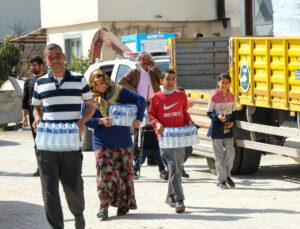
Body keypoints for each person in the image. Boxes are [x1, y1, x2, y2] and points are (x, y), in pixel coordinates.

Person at [32, 43, 95, 229]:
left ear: (64, 56)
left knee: (74, 185)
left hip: (70, 143)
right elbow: (36, 107)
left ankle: (78, 214)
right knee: (49, 189)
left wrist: (82, 121)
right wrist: (37, 118)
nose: (55, 60)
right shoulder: (40, 82)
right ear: (46, 61)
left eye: (57, 55)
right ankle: (57, 226)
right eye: (50, 57)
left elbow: (91, 106)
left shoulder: (79, 79)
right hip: (47, 144)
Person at [83, 69, 145, 220]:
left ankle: (123, 205)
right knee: (104, 174)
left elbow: (140, 100)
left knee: (124, 173)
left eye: (102, 83)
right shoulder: (89, 98)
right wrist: (100, 121)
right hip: (101, 142)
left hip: (123, 140)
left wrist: (138, 118)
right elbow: (84, 119)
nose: (100, 87)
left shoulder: (119, 92)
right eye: (96, 84)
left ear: (106, 80)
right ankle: (103, 206)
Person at [149, 69, 193, 214]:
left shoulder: (181, 95)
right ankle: (180, 200)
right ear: (161, 81)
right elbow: (151, 116)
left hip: (179, 138)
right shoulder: (155, 97)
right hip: (165, 140)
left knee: (177, 170)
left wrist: (189, 122)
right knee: (173, 167)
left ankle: (170, 197)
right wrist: (157, 124)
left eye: (173, 79)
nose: (171, 81)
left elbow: (185, 112)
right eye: (168, 79)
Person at [118, 52, 162, 166]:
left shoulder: (153, 73)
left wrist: (155, 68)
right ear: (139, 61)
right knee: (139, 129)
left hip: (152, 104)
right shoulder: (134, 72)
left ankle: (152, 158)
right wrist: (135, 91)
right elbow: (121, 82)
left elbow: (161, 79)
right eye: (143, 59)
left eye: (148, 59)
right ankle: (137, 156)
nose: (146, 61)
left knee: (152, 130)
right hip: (139, 104)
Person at [206, 72, 236, 189]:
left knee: (231, 154)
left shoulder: (231, 96)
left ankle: (227, 176)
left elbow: (233, 112)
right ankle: (221, 180)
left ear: (229, 84)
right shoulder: (214, 96)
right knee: (219, 156)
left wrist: (232, 121)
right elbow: (209, 112)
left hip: (228, 129)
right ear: (218, 83)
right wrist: (217, 117)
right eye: (222, 82)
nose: (224, 85)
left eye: (227, 83)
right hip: (216, 130)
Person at [22, 56, 45, 176]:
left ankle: (50, 167)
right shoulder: (28, 81)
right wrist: (24, 117)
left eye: (35, 65)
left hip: (46, 115)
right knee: (37, 141)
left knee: (47, 141)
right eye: (31, 65)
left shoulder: (47, 79)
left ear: (41, 65)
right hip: (33, 116)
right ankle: (40, 167)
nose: (32, 68)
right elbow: (25, 100)